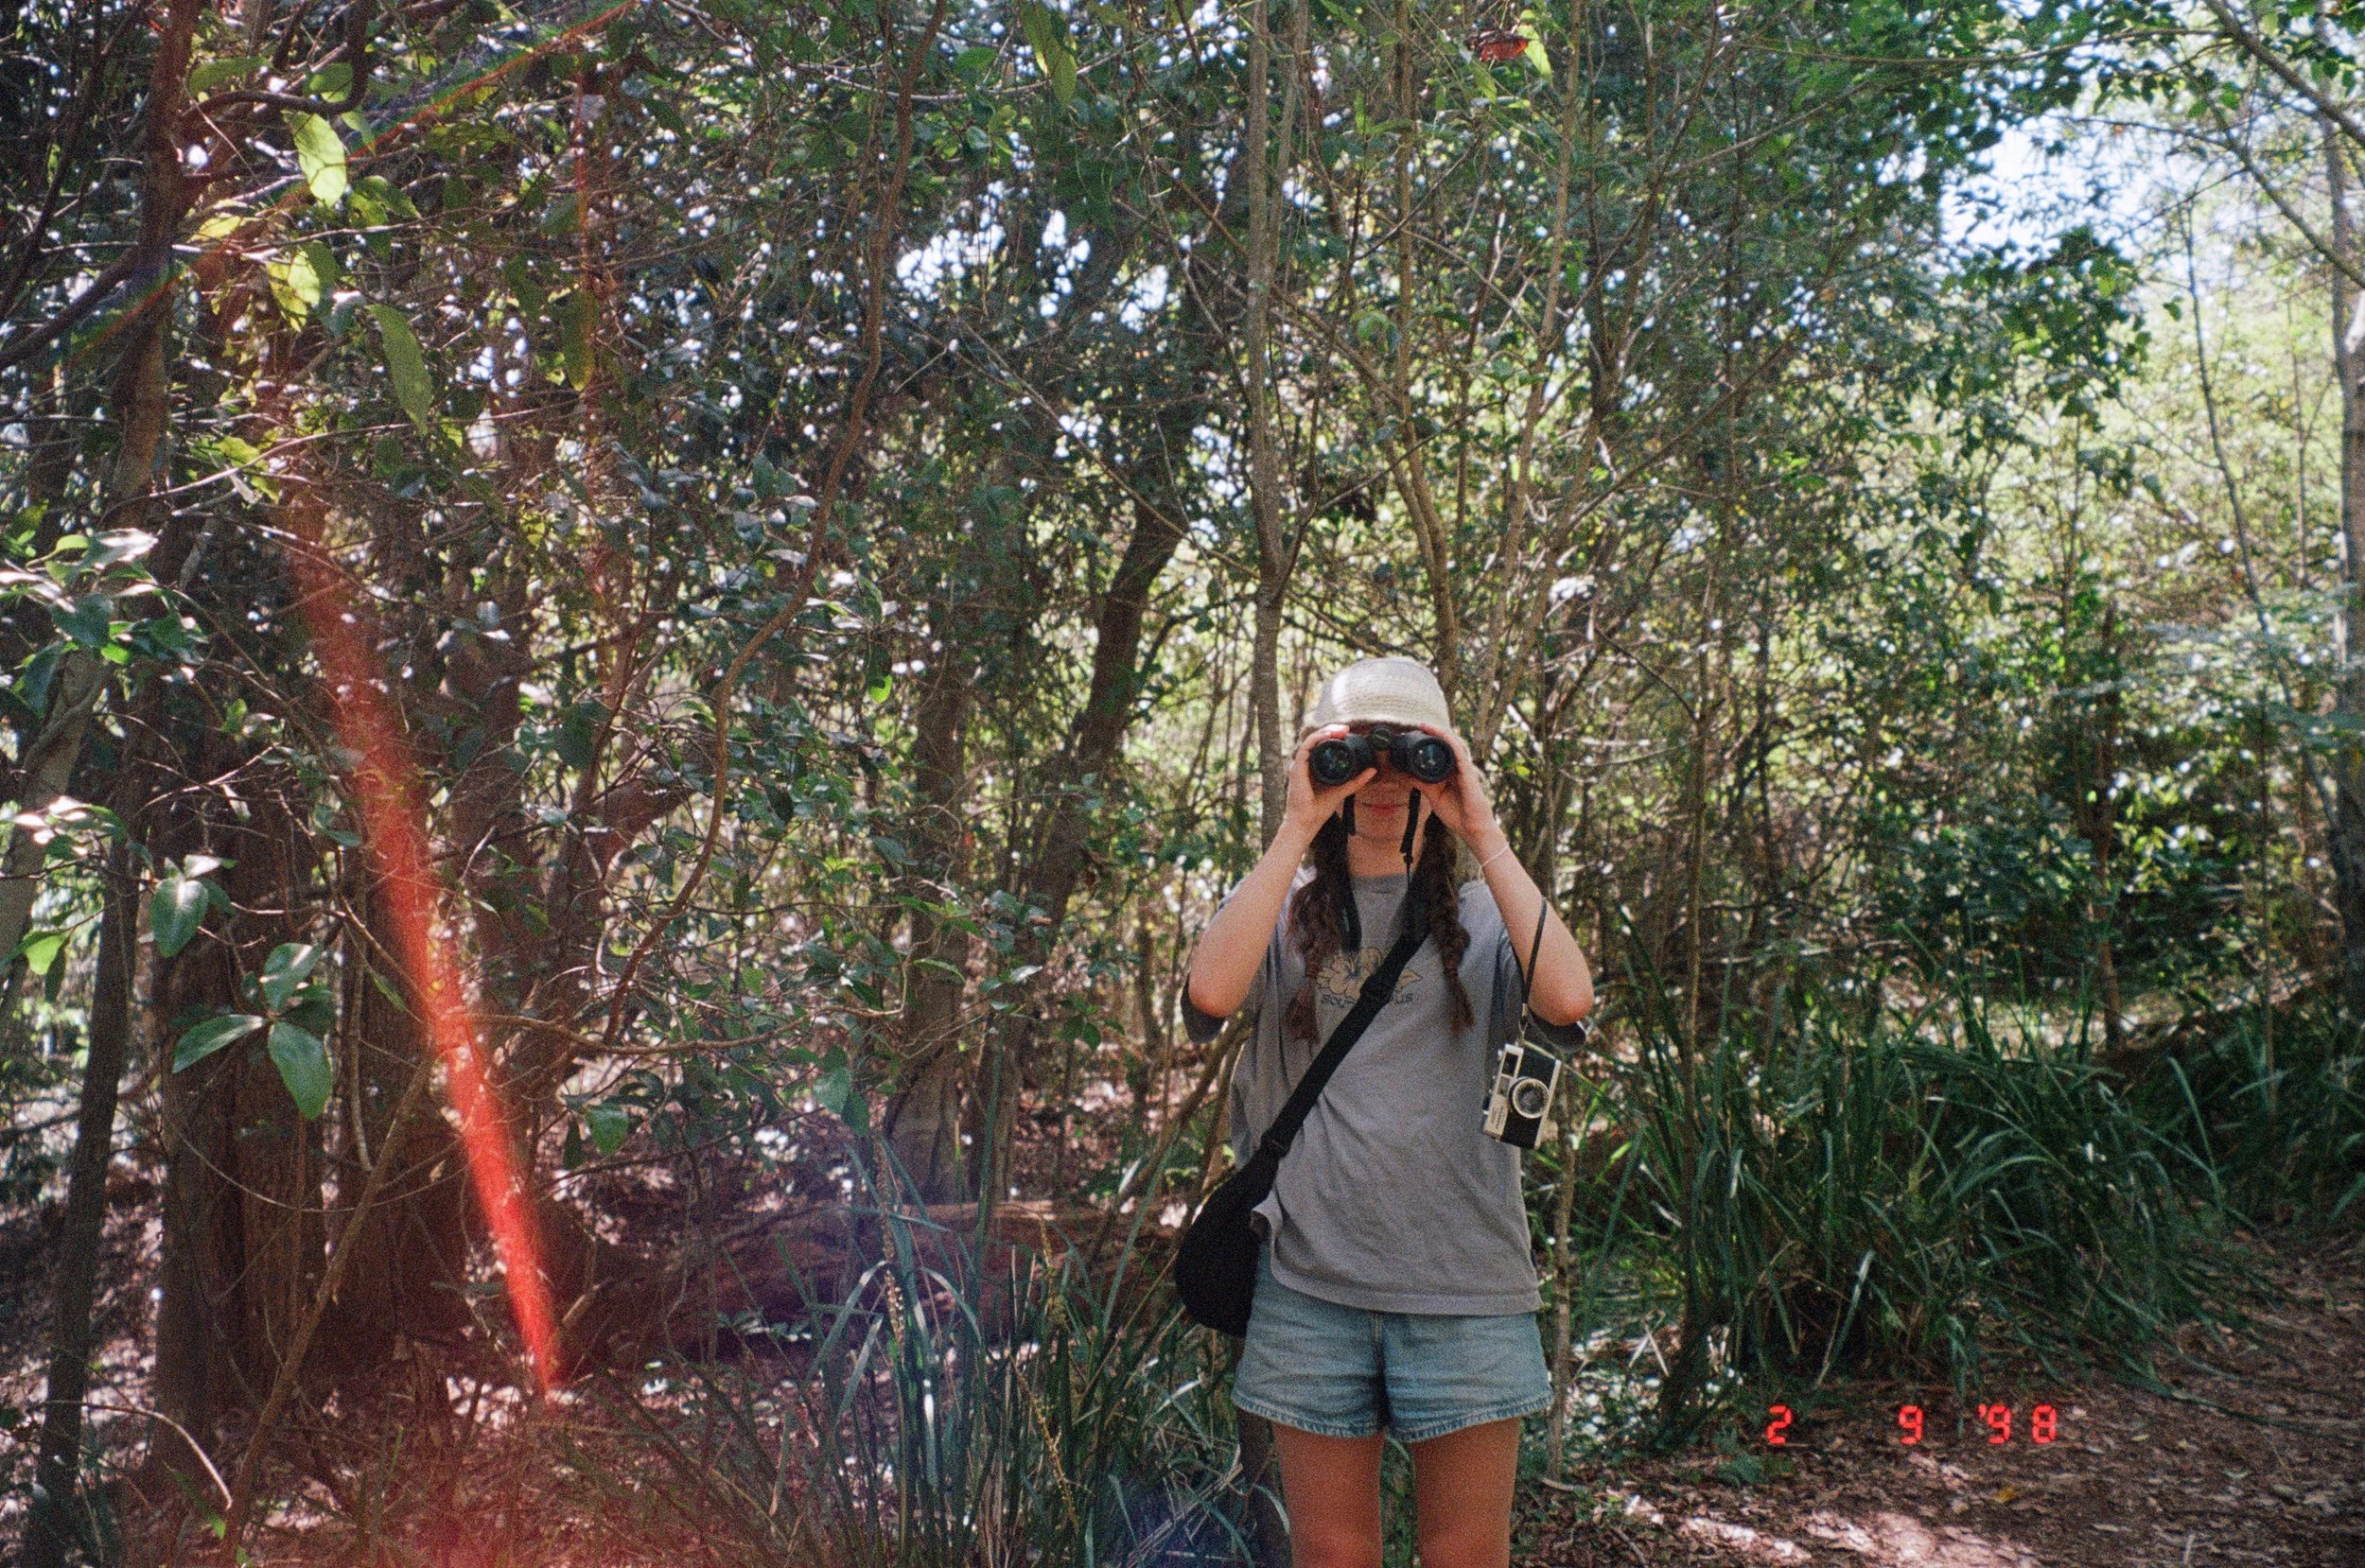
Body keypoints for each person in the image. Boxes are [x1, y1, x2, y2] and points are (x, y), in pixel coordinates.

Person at [1182, 655, 1594, 1568]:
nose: (1380, 779)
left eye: (1407, 754)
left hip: (1465, 1287)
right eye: (1354, 754)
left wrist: (1481, 828)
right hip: (1310, 1285)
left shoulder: (1488, 916)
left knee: (1464, 1554)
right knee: (1332, 1554)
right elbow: (1209, 993)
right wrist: (1297, 823)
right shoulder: (1282, 912)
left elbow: (1568, 1000)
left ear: (1444, 764)